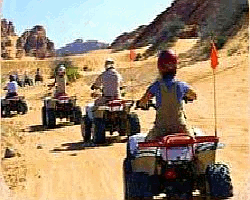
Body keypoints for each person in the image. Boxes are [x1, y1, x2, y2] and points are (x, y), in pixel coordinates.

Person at [138, 50, 197, 139]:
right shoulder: (181, 85)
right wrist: (185, 96)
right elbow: (194, 95)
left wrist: (142, 104)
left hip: (161, 129)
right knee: (193, 141)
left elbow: (144, 101)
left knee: (146, 143)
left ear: (160, 66)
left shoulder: (156, 85)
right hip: (180, 127)